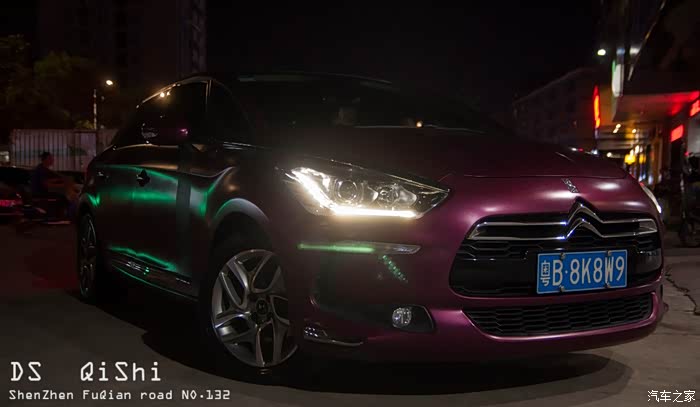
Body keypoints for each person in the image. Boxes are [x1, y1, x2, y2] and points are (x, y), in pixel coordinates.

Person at [30, 152, 74, 220]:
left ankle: (61, 215)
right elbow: (46, 185)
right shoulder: (41, 170)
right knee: (63, 197)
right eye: (50, 158)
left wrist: (58, 180)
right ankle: (63, 216)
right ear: (45, 159)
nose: (52, 160)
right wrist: (62, 185)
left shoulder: (41, 168)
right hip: (40, 193)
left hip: (40, 191)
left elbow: (45, 181)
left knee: (63, 195)